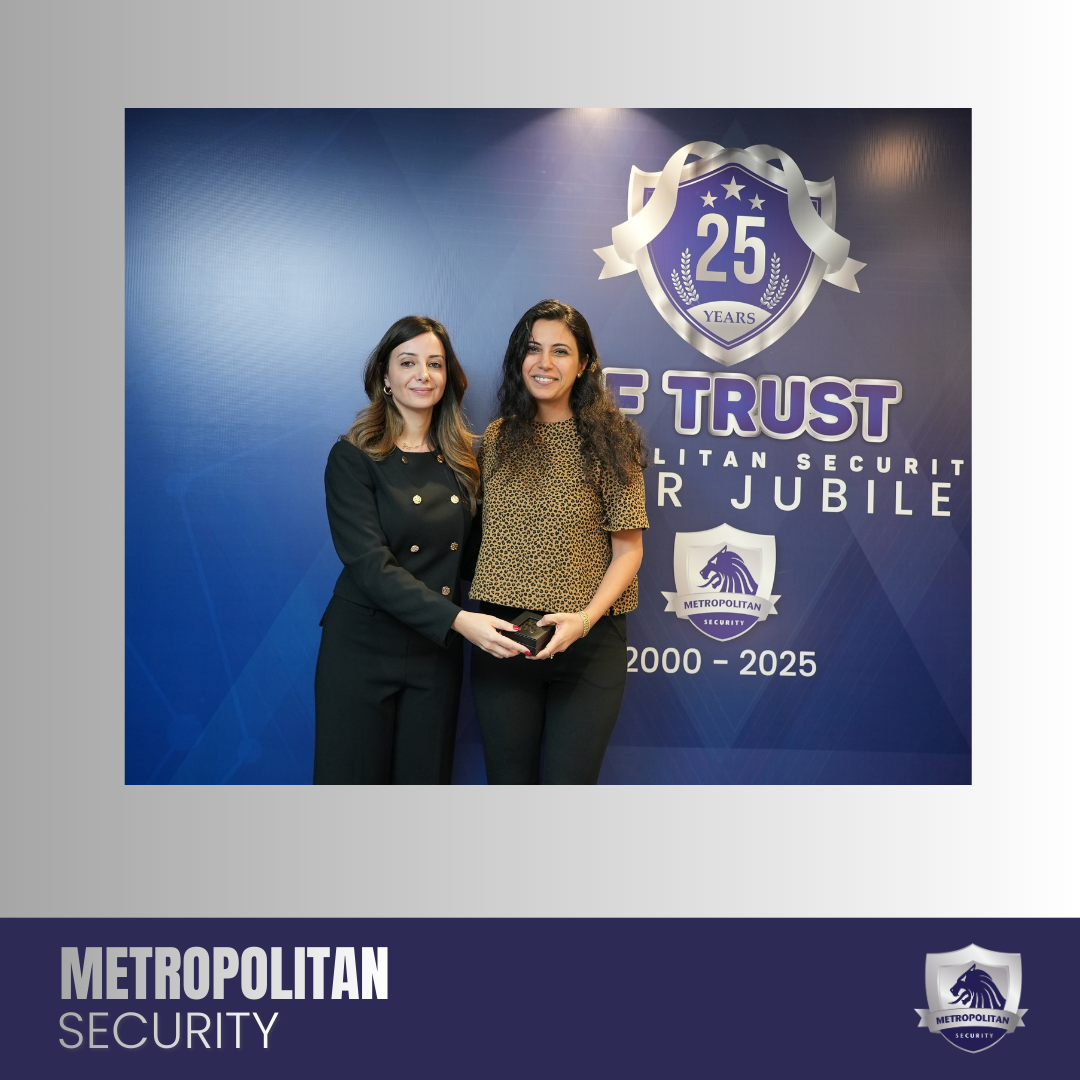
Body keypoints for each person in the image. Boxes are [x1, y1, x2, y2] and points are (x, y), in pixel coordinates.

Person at [313, 316, 530, 785]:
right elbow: (371, 566)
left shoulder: (464, 460)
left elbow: (478, 558)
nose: (423, 374)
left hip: (435, 654)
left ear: (448, 376)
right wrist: (460, 620)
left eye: (435, 363)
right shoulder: (352, 457)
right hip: (363, 647)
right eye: (408, 362)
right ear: (385, 376)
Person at [469, 299, 649, 784]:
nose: (544, 363)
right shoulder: (498, 438)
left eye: (561, 351)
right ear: (518, 358)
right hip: (503, 641)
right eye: (533, 349)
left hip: (588, 644)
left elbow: (629, 551)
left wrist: (584, 620)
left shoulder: (613, 441)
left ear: (584, 363)